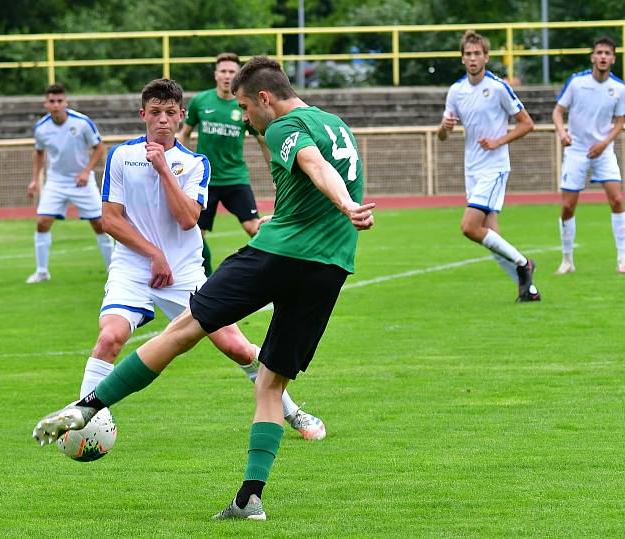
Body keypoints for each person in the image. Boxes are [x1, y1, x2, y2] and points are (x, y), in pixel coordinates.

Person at [33, 57, 376, 521]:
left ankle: (87, 407)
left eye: (244, 107)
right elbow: (318, 180)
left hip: (280, 255)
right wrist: (340, 208)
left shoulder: (281, 126)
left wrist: (345, 203)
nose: (244, 118)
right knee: (270, 383)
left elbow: (313, 166)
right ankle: (249, 499)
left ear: (264, 98)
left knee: (184, 329)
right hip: (331, 265)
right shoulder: (336, 124)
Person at [80, 78, 325, 440]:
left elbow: (188, 218)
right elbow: (111, 218)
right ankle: (80, 420)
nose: (162, 119)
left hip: (184, 272)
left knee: (236, 347)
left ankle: (293, 412)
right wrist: (152, 254)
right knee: (109, 338)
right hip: (133, 268)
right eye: (155, 112)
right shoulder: (121, 156)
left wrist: (164, 169)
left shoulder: (195, 163)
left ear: (181, 116)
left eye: (169, 113)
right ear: (142, 114)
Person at [437, 30, 540, 302]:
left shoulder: (497, 87)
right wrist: (444, 128)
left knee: (469, 227)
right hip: (471, 169)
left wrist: (499, 141)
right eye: (468, 54)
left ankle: (524, 264)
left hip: (494, 169)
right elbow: (443, 136)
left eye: (477, 53)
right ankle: (528, 290)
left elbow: (527, 123)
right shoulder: (456, 91)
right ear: (462, 58)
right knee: (492, 235)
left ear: (486, 57)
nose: (472, 58)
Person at [177, 52, 271, 276]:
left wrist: (276, 171)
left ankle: (272, 269)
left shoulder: (244, 105)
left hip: (235, 177)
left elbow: (263, 140)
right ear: (216, 75)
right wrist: (179, 166)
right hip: (205, 180)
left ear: (238, 75)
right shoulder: (201, 101)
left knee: (253, 227)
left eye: (232, 72)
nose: (227, 76)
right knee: (196, 235)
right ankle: (205, 279)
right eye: (223, 71)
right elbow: (184, 134)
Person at [553, 36, 625, 274]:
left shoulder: (618, 88)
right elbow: (557, 111)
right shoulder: (577, 83)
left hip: (603, 150)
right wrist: (562, 132)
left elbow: (619, 122)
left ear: (613, 58)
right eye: (600, 52)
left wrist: (604, 143)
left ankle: (622, 259)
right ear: (592, 57)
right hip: (576, 150)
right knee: (567, 206)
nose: (603, 57)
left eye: (608, 53)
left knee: (617, 200)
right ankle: (567, 261)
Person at [26, 83, 114, 284]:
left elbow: (100, 148)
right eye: (52, 101)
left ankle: (113, 272)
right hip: (56, 182)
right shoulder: (41, 128)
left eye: (59, 101)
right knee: (42, 222)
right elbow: (39, 153)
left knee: (100, 224)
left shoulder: (82, 123)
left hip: (82, 182)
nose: (56, 105)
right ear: (46, 103)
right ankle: (42, 272)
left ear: (66, 102)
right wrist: (34, 180)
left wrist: (86, 171)